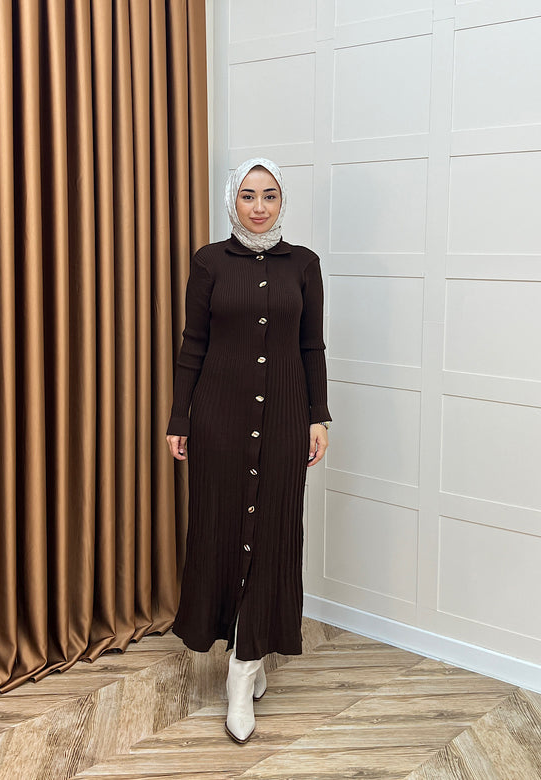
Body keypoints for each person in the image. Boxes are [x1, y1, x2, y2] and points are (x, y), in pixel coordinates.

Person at [166, 157, 331, 744]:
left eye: (269, 195)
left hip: (285, 417)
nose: (258, 207)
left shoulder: (304, 264)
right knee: (221, 529)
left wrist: (317, 414)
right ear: (232, 201)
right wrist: (180, 416)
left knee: (274, 533)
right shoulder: (209, 261)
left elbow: (311, 346)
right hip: (219, 418)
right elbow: (193, 342)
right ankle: (243, 648)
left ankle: (245, 667)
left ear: (282, 201)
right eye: (247, 195)